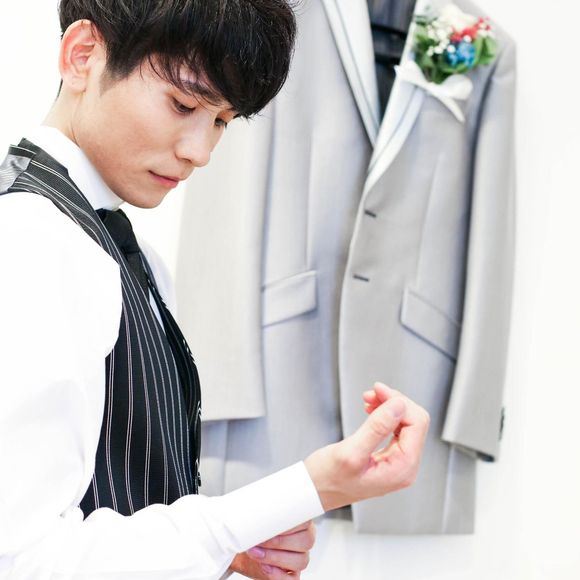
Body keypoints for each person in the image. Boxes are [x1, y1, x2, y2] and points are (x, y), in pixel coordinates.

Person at [0, 1, 430, 579]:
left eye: (222, 121)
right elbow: (21, 558)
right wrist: (304, 489)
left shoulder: (123, 251)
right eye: (183, 104)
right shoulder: (31, 238)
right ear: (83, 56)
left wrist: (222, 550)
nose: (199, 153)